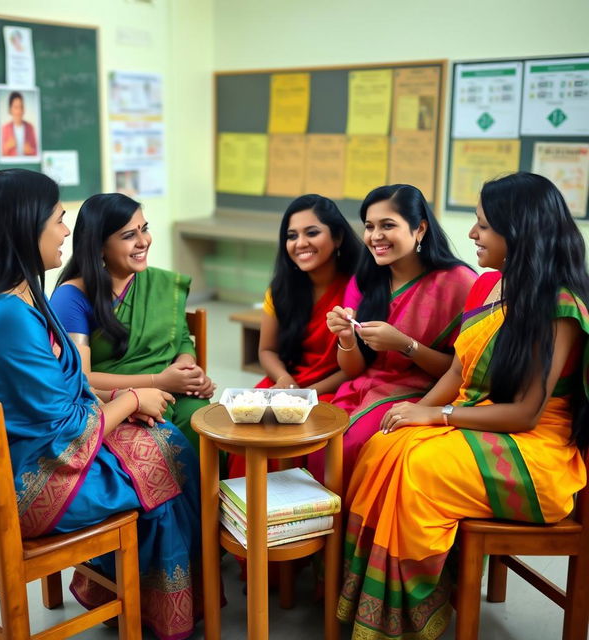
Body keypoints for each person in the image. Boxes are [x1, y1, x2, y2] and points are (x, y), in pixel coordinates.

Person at [0, 169, 201, 640]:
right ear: (26, 227)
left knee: (158, 439)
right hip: (24, 487)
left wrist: (117, 399)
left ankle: (126, 596)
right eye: (59, 219)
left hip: (12, 462)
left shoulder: (5, 298)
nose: (67, 230)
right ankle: (160, 613)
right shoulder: (6, 317)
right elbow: (66, 430)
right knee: (167, 453)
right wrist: (130, 399)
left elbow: (54, 392)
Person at [337, 172, 589, 640]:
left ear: (521, 230)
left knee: (416, 467)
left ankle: (410, 618)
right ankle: (375, 606)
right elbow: (458, 372)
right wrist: (414, 415)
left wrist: (436, 415)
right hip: (482, 420)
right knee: (383, 446)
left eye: (484, 225)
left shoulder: (560, 306)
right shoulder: (489, 286)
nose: (472, 234)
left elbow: (525, 414)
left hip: (534, 451)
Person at [310, 184, 476, 485]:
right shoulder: (366, 280)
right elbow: (354, 369)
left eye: (388, 225)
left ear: (420, 229)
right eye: (369, 226)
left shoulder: (459, 283)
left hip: (425, 392)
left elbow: (461, 371)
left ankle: (344, 530)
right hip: (363, 387)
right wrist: (346, 339)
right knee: (312, 436)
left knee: (349, 445)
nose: (375, 236)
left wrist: (405, 345)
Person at [51, 193, 214, 451]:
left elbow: (181, 339)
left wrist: (187, 371)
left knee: (208, 424)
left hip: (173, 394)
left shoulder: (159, 285)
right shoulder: (72, 298)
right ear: (99, 246)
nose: (143, 241)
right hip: (114, 403)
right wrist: (159, 381)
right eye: (129, 236)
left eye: (144, 229)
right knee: (163, 442)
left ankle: (217, 493)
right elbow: (80, 379)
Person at [228, 194, 362, 478]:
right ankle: (246, 514)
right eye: (291, 235)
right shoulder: (281, 289)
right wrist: (284, 379)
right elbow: (267, 351)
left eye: (312, 233)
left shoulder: (358, 287)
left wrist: (308, 394)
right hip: (289, 382)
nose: (300, 243)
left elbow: (358, 367)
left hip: (337, 387)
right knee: (248, 424)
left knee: (302, 431)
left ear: (337, 237)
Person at [0, 91, 38, 157]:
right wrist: (7, 146)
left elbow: (37, 152)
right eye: (16, 107)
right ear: (10, 109)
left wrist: (30, 151)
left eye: (21, 107)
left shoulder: (30, 128)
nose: (19, 111)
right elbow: (0, 154)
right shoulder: (5, 129)